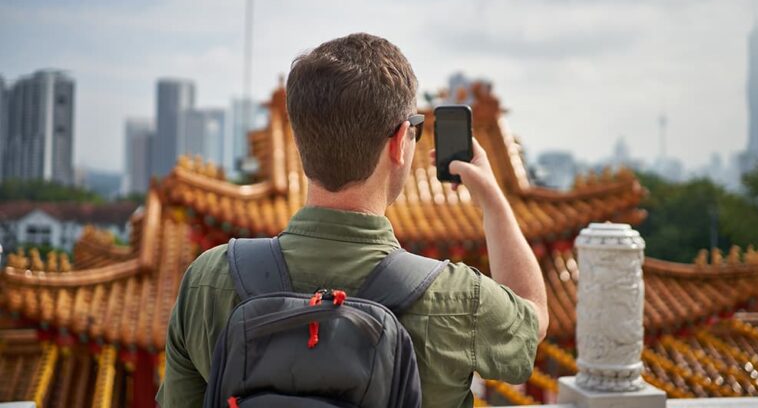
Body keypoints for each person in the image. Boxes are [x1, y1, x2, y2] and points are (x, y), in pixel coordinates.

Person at [156, 32, 549, 408]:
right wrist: (493, 201)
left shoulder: (208, 280)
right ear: (398, 143)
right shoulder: (458, 297)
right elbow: (532, 321)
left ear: (300, 138)